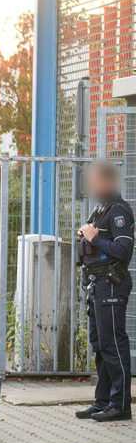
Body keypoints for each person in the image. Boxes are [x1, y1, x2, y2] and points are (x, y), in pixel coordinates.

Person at [75, 161, 134, 422]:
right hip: (96, 283)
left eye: (96, 180)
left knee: (113, 344)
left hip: (111, 282)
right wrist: (86, 236)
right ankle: (103, 400)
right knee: (100, 344)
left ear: (107, 181)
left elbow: (122, 250)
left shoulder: (119, 210)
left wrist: (93, 238)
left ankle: (120, 405)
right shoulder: (101, 208)